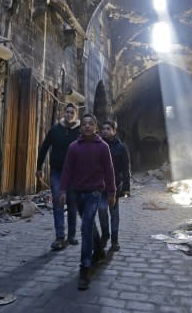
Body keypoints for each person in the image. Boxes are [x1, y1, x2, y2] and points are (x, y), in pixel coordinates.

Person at [59, 113, 115, 291]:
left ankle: (85, 268)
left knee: (85, 227)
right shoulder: (74, 147)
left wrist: (112, 191)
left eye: (91, 124)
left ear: (96, 127)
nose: (87, 126)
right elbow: (67, 170)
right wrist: (62, 190)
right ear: (80, 127)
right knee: (89, 225)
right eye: (84, 124)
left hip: (94, 193)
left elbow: (109, 171)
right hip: (78, 193)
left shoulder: (103, 147)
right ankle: (98, 249)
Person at [35, 103, 81, 251]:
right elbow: (44, 147)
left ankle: (72, 235)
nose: (69, 115)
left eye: (72, 113)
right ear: (64, 113)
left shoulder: (80, 131)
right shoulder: (55, 129)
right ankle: (59, 237)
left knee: (73, 204)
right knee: (57, 202)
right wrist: (39, 167)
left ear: (76, 115)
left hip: (74, 173)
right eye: (67, 112)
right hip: (57, 172)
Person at [97, 120, 130, 252]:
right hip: (100, 185)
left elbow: (126, 169)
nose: (105, 131)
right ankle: (105, 234)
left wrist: (126, 187)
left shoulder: (121, 147)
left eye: (108, 129)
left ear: (114, 131)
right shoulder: (98, 146)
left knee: (114, 213)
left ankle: (114, 240)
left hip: (115, 186)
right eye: (103, 129)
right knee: (101, 210)